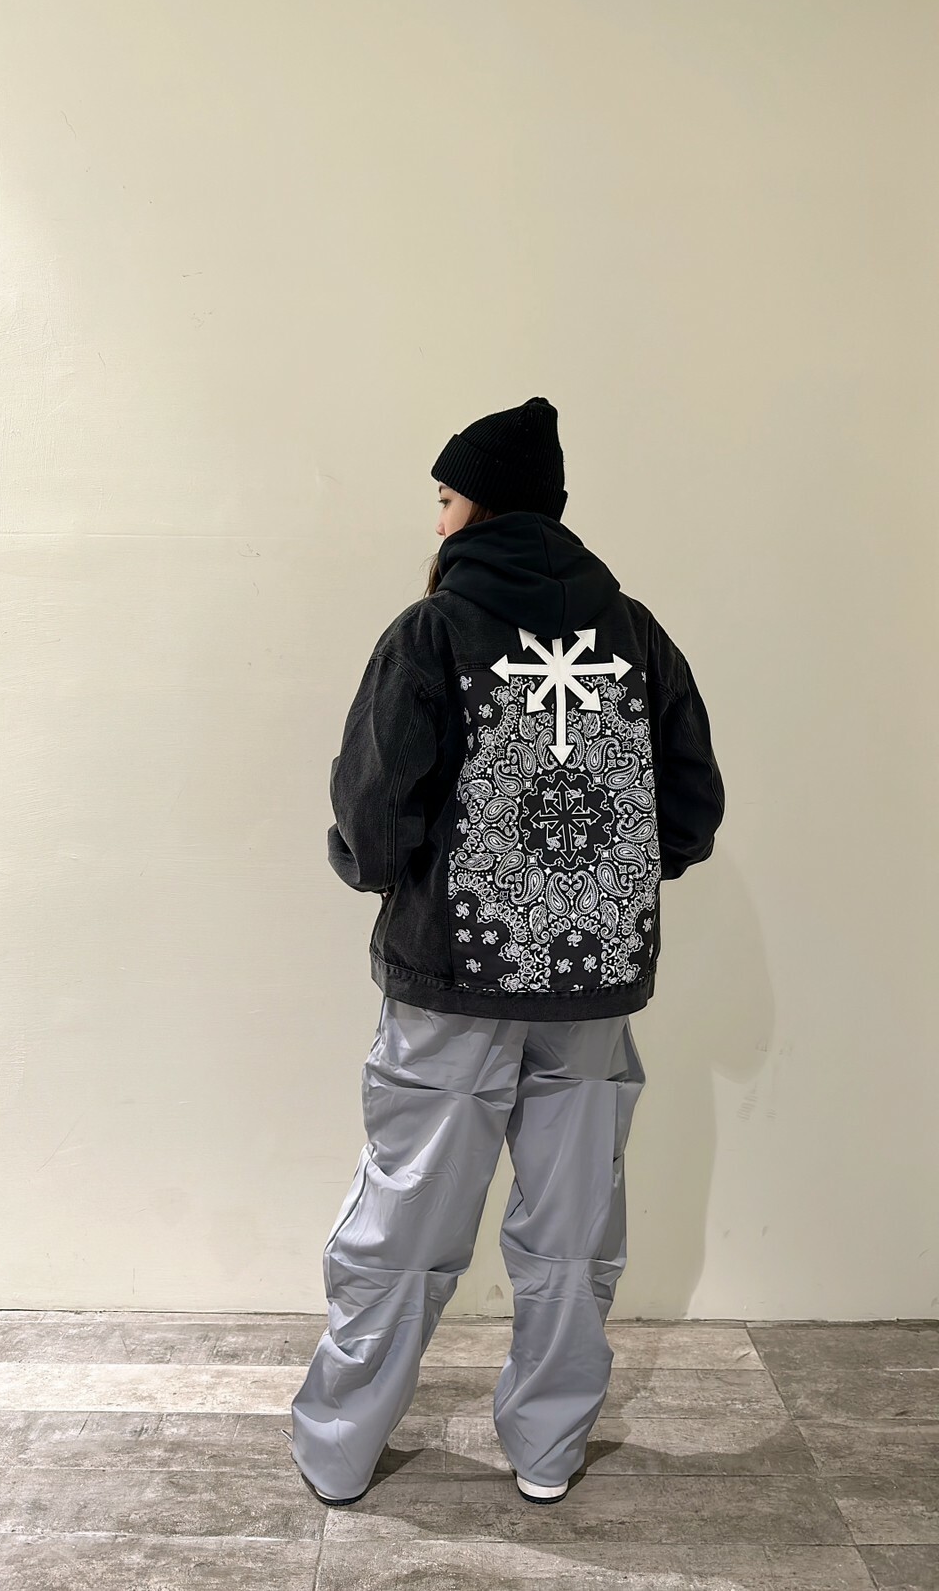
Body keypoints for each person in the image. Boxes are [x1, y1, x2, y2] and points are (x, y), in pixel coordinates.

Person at [287, 396, 725, 1507]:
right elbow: (692, 808)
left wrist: (376, 870)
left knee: (407, 1216)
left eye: (444, 498)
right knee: (572, 1229)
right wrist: (599, 890)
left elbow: (375, 811)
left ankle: (340, 1448)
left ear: (479, 506)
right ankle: (548, 1450)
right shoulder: (634, 631)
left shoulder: (432, 631)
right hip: (593, 984)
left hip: (452, 977)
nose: (436, 520)